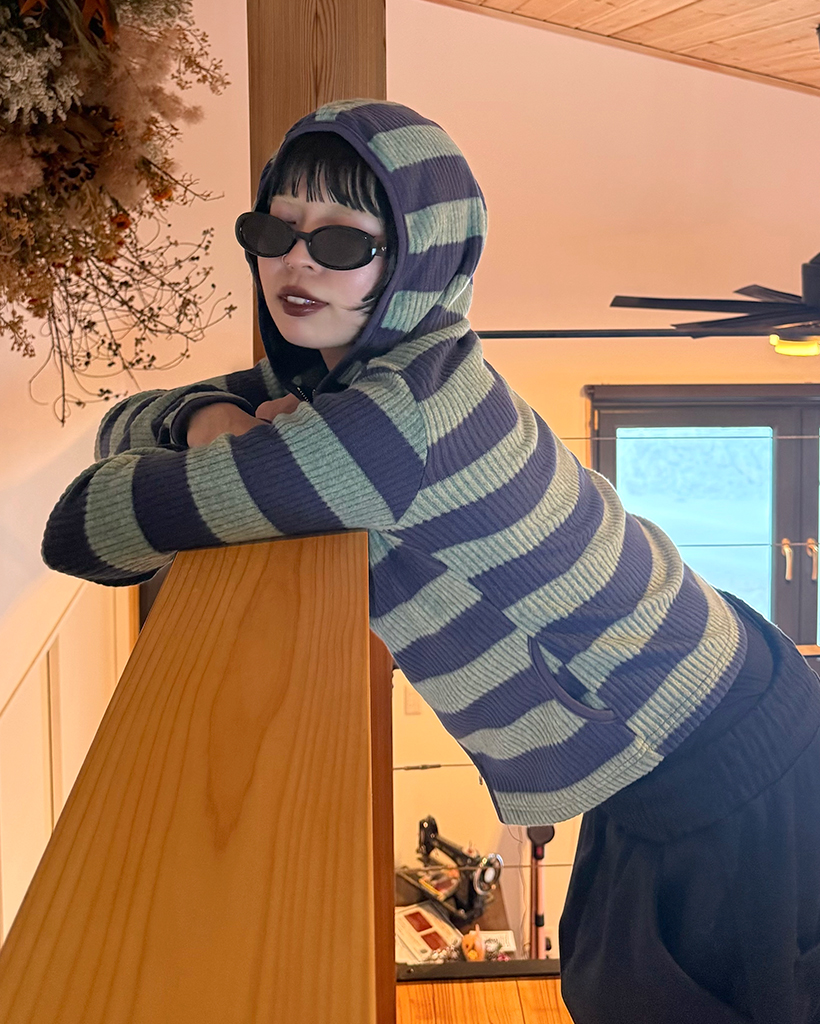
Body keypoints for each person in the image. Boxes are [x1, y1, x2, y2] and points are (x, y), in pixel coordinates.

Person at [42, 100, 820, 1023]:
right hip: (685, 714)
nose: (294, 264)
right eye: (272, 231)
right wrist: (210, 419)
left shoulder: (390, 422)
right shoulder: (366, 371)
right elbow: (120, 426)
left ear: (416, 257)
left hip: (713, 746)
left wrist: (211, 440)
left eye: (342, 242)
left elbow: (85, 528)